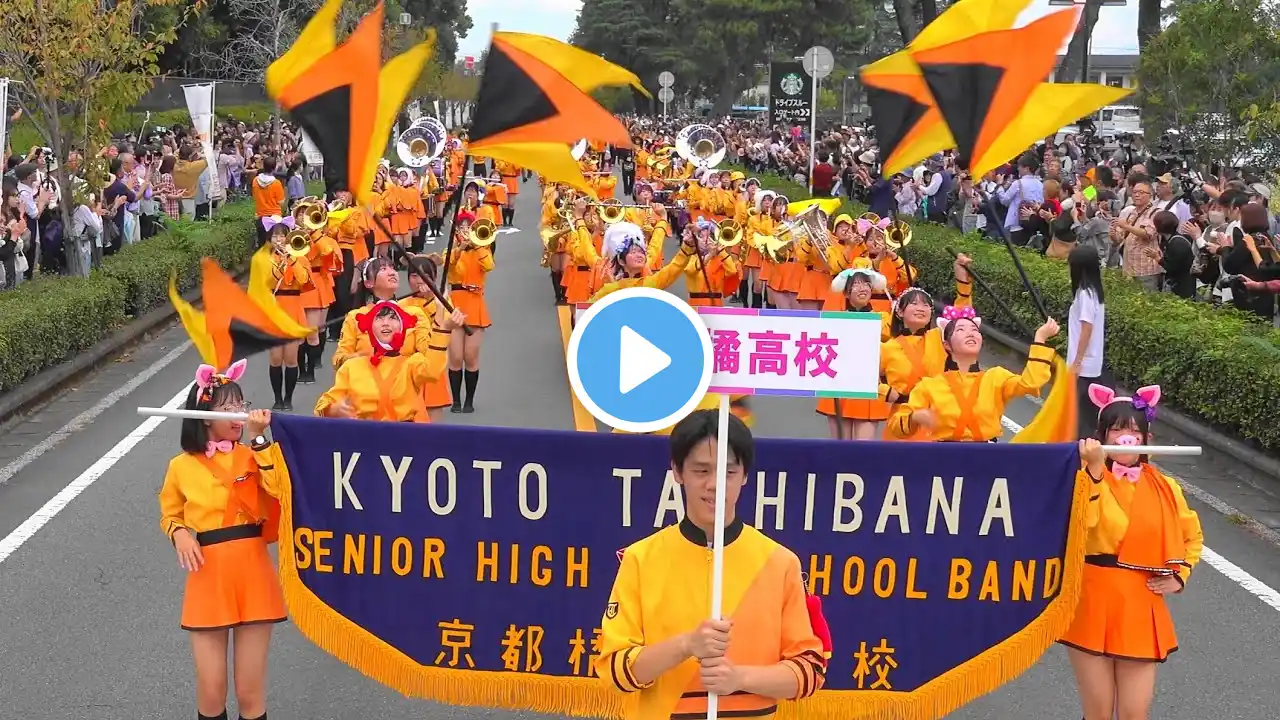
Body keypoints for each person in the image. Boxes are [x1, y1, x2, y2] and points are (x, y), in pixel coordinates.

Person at [595, 410, 829, 719]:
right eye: (701, 471)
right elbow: (615, 669)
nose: (715, 485)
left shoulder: (780, 562)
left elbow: (809, 669)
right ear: (677, 472)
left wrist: (740, 679)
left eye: (728, 473)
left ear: (745, 475)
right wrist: (686, 645)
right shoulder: (641, 559)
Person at [1061, 385, 1203, 720]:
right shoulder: (1083, 478)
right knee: (1097, 713)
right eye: (1118, 429)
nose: (1127, 437)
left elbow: (1192, 536)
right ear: (1102, 435)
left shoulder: (1166, 487)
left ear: (1146, 439)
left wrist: (1180, 575)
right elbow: (1088, 525)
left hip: (1141, 602)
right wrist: (1095, 471)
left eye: (1135, 430)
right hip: (1092, 598)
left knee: (1134, 714)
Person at [158, 360, 284, 720]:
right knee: (212, 691)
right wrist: (179, 533)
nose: (238, 414)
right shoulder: (180, 466)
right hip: (208, 573)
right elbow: (170, 512)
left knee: (249, 692)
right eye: (226, 407)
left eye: (241, 406)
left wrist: (260, 440)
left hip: (253, 570)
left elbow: (279, 491)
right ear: (203, 416)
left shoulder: (256, 454)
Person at [888, 307, 1059, 441]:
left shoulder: (996, 377)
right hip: (943, 462)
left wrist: (1040, 339)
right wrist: (915, 417)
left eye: (974, 330)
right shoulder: (930, 386)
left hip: (986, 461)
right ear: (947, 345)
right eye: (961, 330)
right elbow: (896, 425)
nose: (970, 333)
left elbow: (1031, 383)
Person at [315, 299, 460, 421]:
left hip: (403, 441)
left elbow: (432, 370)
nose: (385, 323)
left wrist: (444, 329)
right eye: (379, 318)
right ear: (370, 329)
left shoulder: (411, 364)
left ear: (402, 328)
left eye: (392, 318)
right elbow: (323, 405)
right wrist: (333, 410)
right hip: (363, 440)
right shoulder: (352, 367)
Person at [445, 210, 495, 413]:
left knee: (470, 355)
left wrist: (477, 246)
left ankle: (469, 400)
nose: (465, 231)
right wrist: (460, 249)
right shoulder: (452, 249)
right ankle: (455, 400)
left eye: (468, 227)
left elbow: (489, 266)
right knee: (455, 357)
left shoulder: (483, 250)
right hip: (455, 304)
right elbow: (448, 263)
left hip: (475, 304)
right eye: (461, 227)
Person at [1067, 244, 1107, 438]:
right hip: (1091, 363)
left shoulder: (1085, 294)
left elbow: (1086, 328)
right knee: (1085, 415)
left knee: (1080, 418)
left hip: (1084, 366)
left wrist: (1077, 362)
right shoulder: (1094, 292)